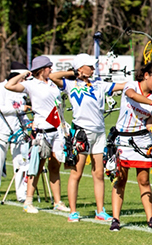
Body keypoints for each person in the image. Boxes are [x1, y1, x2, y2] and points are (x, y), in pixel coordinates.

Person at [49, 54, 125, 223]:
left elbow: (122, 86)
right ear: (80, 68)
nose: (93, 69)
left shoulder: (99, 84)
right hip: (82, 133)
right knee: (77, 173)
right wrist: (73, 73)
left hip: (99, 133)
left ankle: (100, 210)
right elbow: (52, 76)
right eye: (89, 66)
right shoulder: (70, 84)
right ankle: (73, 212)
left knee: (99, 173)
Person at [108, 61, 152, 232]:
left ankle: (150, 219)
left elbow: (150, 124)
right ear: (146, 75)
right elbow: (132, 96)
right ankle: (115, 219)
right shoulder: (131, 85)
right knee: (121, 179)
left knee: (144, 180)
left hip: (143, 141)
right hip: (123, 140)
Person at [6, 55, 69, 214]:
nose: (51, 69)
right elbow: (9, 85)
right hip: (42, 130)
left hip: (56, 129)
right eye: (49, 67)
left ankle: (57, 201)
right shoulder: (31, 84)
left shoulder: (53, 84)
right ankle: (28, 201)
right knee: (37, 166)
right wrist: (24, 74)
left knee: (55, 165)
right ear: (42, 69)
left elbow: (58, 105)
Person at [0, 61, 30, 204]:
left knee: (21, 164)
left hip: (18, 130)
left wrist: (27, 121)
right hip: (2, 130)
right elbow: (0, 108)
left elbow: (24, 110)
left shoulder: (21, 89)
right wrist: (20, 110)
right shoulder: (1, 88)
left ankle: (21, 194)